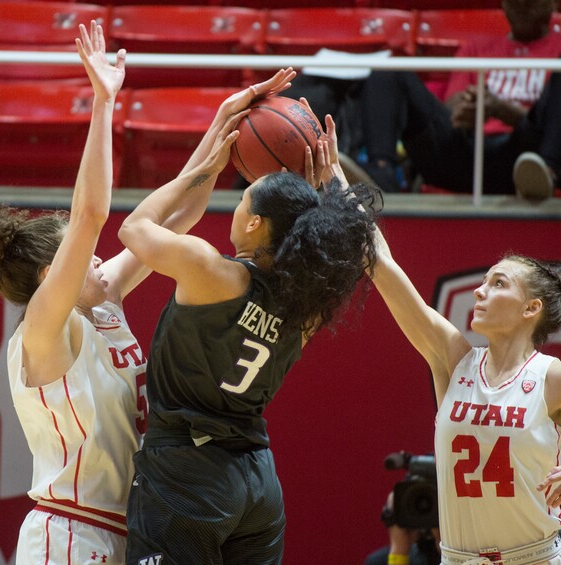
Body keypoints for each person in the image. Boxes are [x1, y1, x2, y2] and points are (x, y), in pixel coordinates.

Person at [318, 116, 561, 565]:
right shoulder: (453, 357)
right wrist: (337, 182)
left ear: (530, 308)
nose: (480, 291)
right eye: (483, 282)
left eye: (497, 284)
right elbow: (380, 261)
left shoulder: (559, 380)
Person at [0, 22, 234, 564]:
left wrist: (222, 123)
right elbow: (90, 214)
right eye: (80, 255)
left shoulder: (102, 304)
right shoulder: (43, 331)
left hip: (124, 530)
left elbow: (177, 218)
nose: (96, 259)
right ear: (50, 274)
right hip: (69, 531)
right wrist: (103, 103)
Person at [117, 74, 380, 564]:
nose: (236, 207)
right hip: (257, 482)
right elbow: (359, 243)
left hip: (187, 472)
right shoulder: (308, 307)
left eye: (242, 200)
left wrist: (204, 170)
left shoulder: (211, 271)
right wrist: (331, 189)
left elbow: (134, 228)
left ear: (255, 223)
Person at [359, 0, 561, 199]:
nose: (522, 7)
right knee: (388, 71)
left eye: (531, 2)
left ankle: (545, 173)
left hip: (528, 157)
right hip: (470, 153)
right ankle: (381, 178)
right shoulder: (477, 47)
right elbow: (452, 107)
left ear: (553, 4)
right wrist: (468, 108)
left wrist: (500, 109)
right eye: (515, 3)